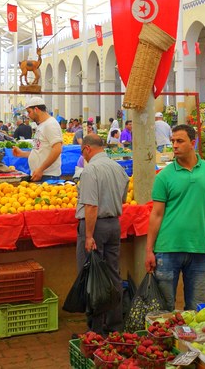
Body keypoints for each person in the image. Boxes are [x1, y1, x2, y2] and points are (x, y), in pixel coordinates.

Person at [145, 124, 205, 311]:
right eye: (173, 141)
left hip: (199, 250)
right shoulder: (164, 177)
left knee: (196, 309)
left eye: (180, 141)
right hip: (167, 250)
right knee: (165, 311)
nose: (174, 145)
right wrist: (149, 250)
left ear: (193, 143)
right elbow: (156, 214)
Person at [75, 134, 129, 334]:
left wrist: (89, 236)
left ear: (87, 148)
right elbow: (122, 198)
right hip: (114, 224)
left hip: (95, 227)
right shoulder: (118, 168)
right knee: (113, 274)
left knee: (92, 276)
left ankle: (96, 328)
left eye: (83, 152)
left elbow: (91, 205)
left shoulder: (91, 170)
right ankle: (115, 325)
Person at [12, 97, 63, 182]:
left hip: (47, 176)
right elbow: (40, 150)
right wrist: (22, 154)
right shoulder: (42, 125)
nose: (28, 115)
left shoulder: (50, 125)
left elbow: (57, 149)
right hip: (40, 174)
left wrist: (41, 169)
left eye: (29, 112)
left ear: (36, 109)